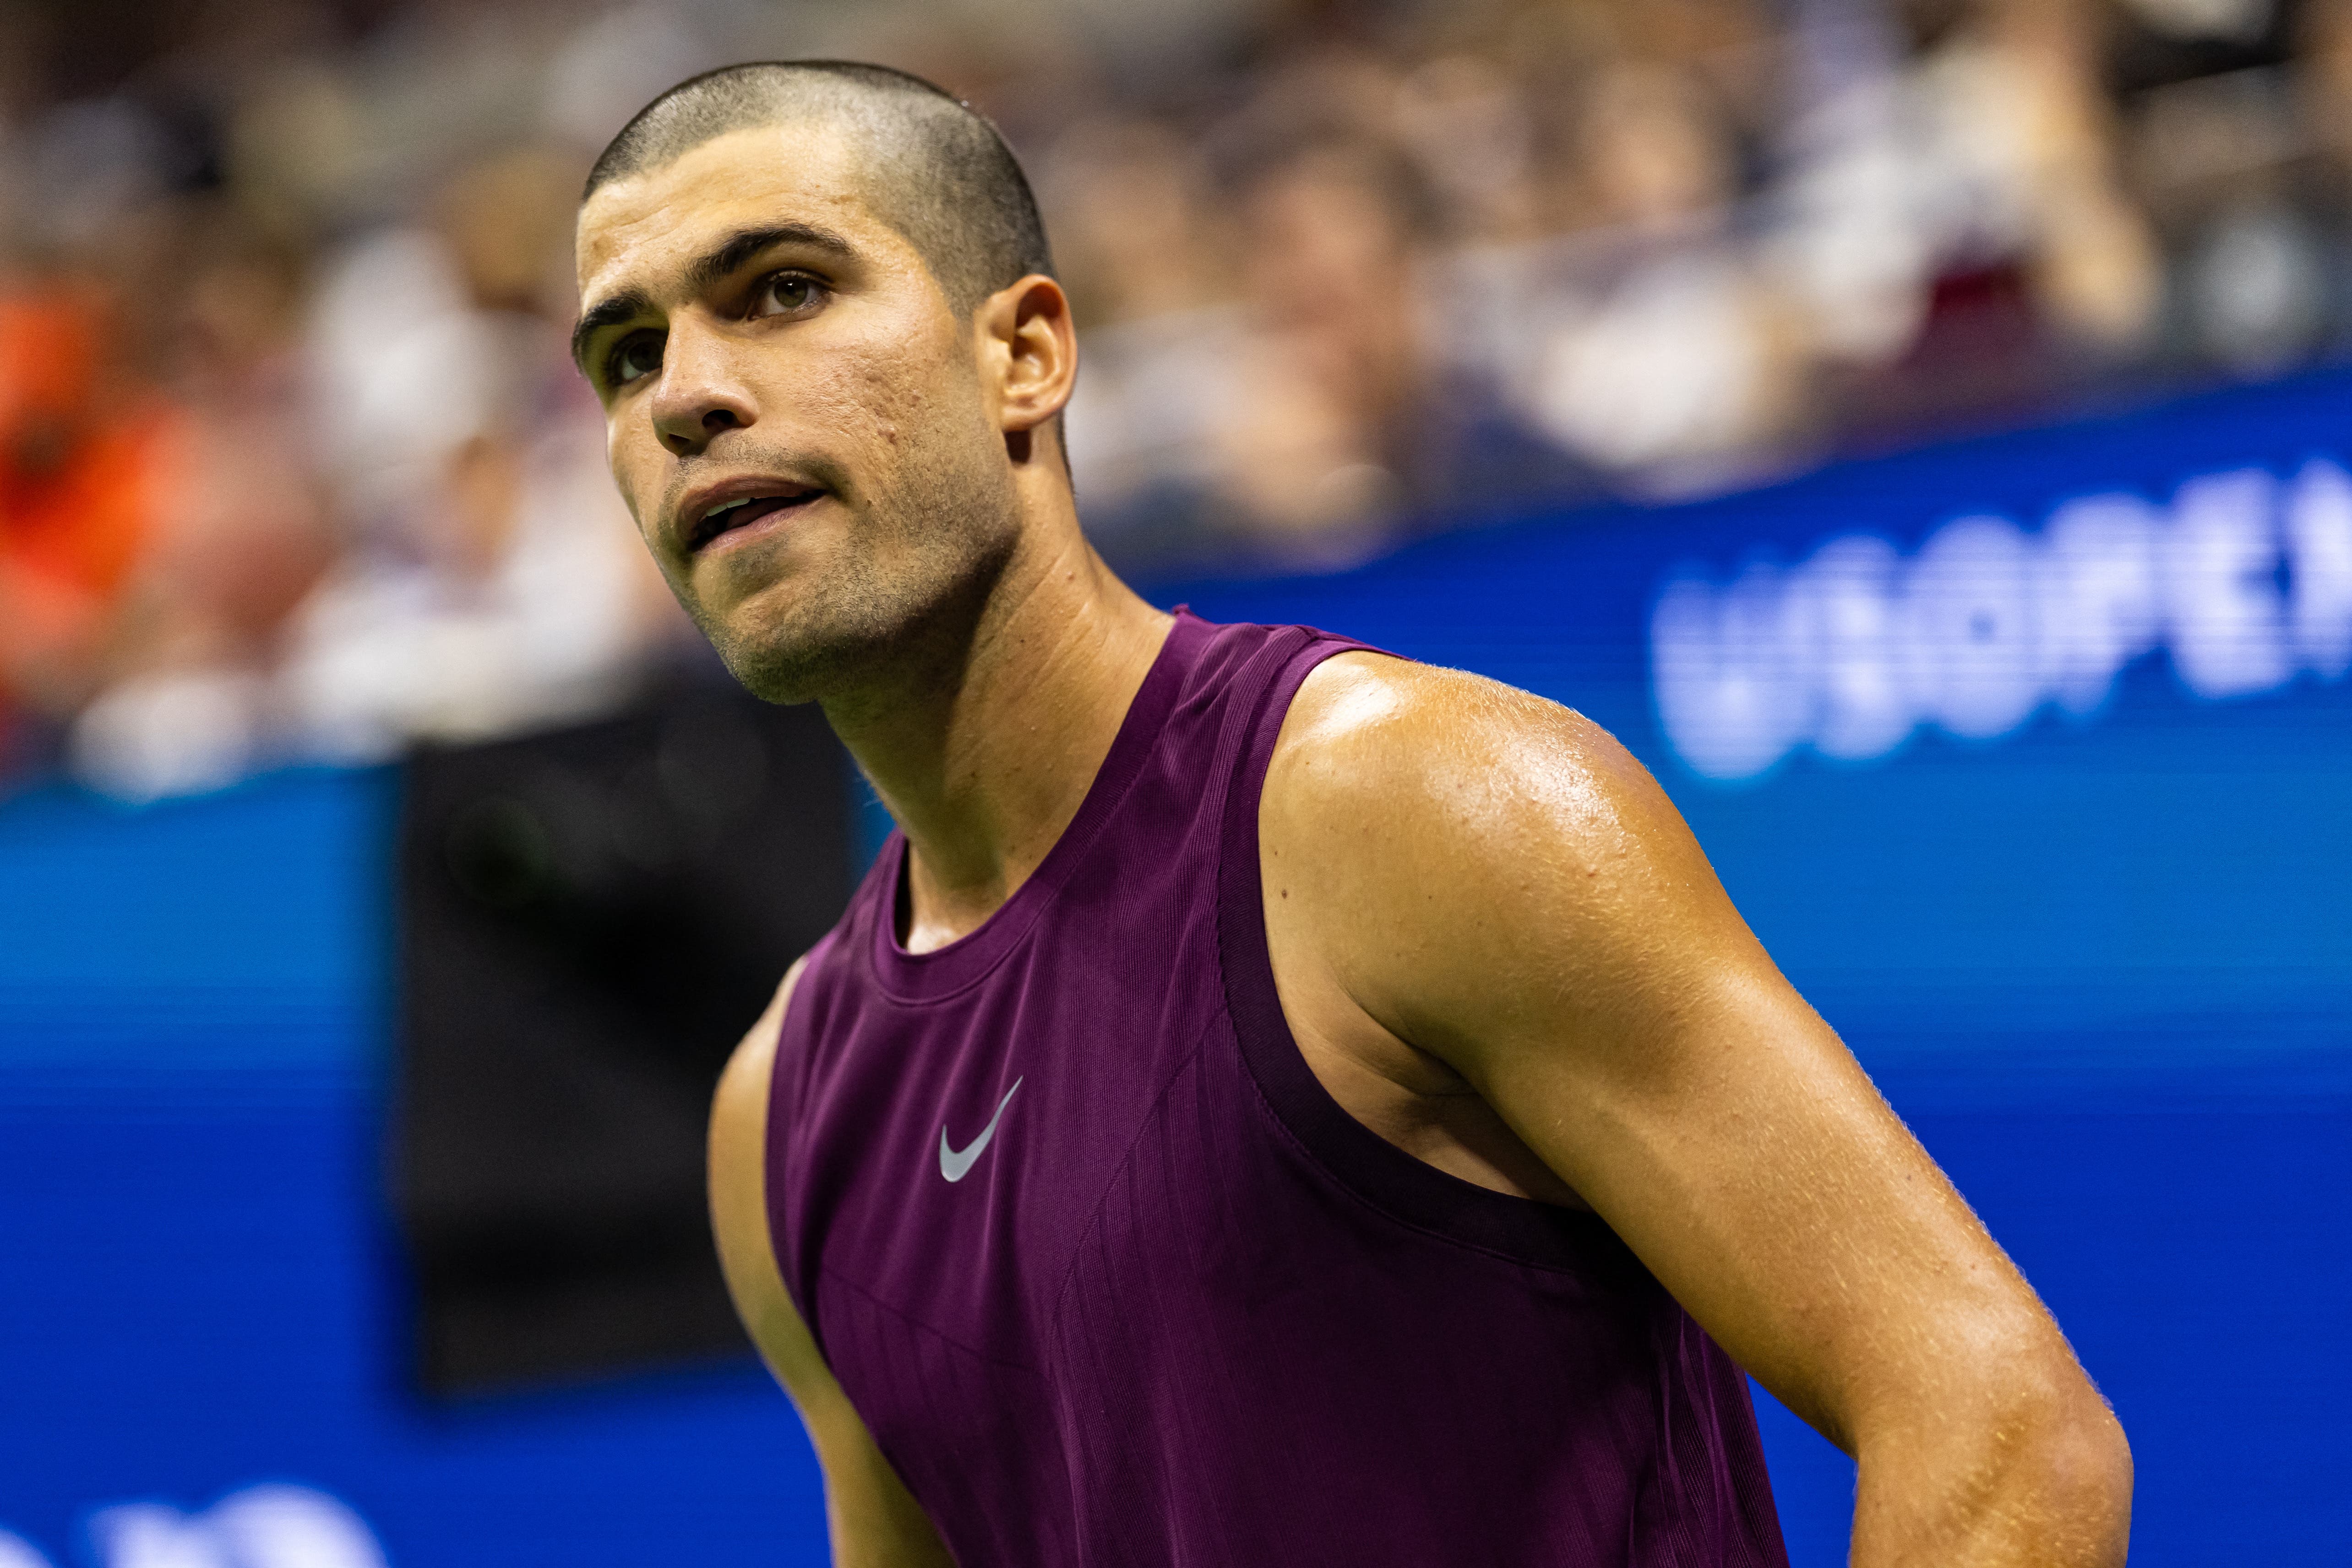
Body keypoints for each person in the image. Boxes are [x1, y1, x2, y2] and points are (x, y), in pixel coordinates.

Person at [571, 61, 2132, 1565]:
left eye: (781, 289)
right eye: (627, 356)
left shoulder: (1414, 809)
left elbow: (1998, 1425)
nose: (691, 396)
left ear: (1026, 354)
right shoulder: (776, 1115)